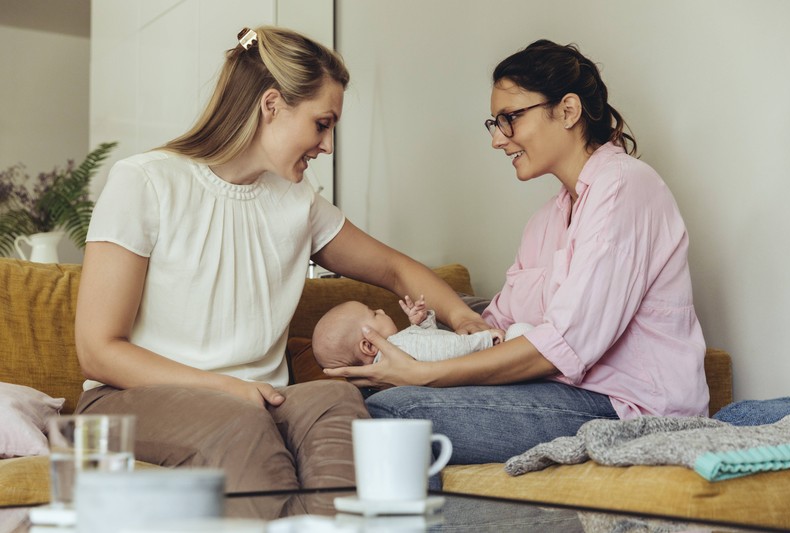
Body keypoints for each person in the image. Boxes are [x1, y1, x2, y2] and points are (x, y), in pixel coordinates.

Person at [73, 26, 488, 493]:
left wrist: (459, 316)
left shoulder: (296, 201)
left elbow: (394, 268)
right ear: (271, 105)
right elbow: (98, 350)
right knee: (239, 425)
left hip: (261, 399)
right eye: (322, 123)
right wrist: (226, 389)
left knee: (337, 402)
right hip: (130, 401)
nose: (328, 146)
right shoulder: (145, 182)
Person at [325, 39, 709, 465]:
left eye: (510, 119)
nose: (497, 139)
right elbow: (494, 327)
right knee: (355, 400)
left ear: (567, 111)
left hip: (627, 408)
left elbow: (565, 345)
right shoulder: (546, 220)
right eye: (495, 122)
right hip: (562, 394)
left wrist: (425, 376)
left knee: (394, 416)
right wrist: (415, 348)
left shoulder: (626, 187)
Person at [312, 294, 532, 368]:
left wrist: (422, 323)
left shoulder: (395, 355)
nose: (380, 309)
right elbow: (448, 348)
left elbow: (430, 345)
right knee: (521, 332)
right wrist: (486, 340)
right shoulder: (400, 346)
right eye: (374, 314)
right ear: (369, 345)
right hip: (482, 354)